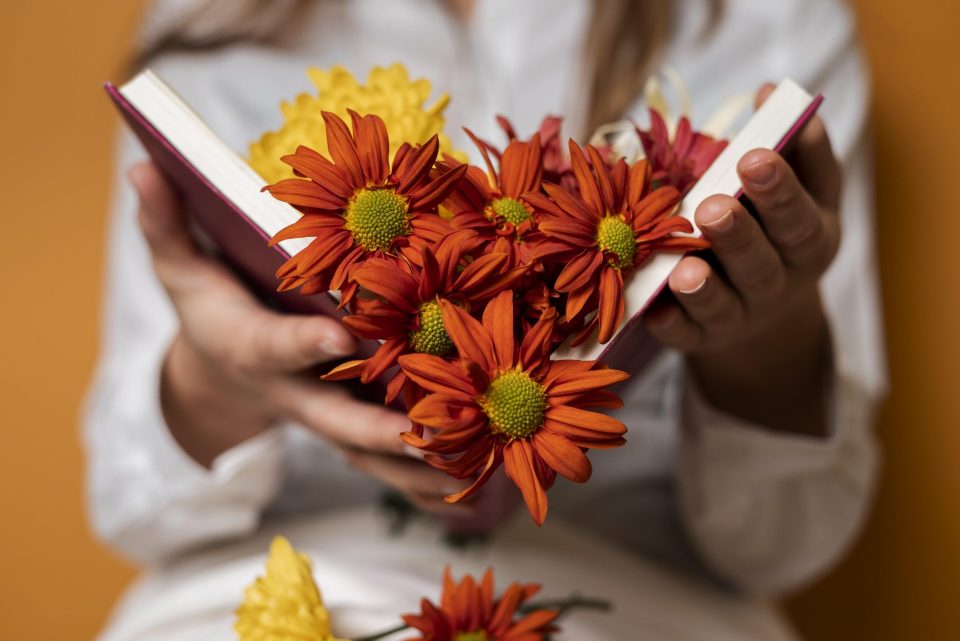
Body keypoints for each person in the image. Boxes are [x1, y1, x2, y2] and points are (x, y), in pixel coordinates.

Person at [84, 0, 886, 637]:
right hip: (279, 582)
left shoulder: (770, 22)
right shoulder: (214, 24)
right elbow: (130, 504)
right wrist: (218, 377)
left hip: (628, 597)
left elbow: (786, 543)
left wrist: (765, 339)